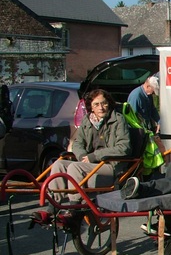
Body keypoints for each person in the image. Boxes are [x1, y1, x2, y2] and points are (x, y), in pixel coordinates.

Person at [34, 89, 131, 220]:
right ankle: (52, 207)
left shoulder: (118, 120)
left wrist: (94, 156)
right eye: (96, 104)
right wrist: (81, 156)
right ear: (91, 106)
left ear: (109, 103)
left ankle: (74, 207)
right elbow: (77, 143)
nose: (101, 108)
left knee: (75, 167)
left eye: (104, 103)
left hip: (111, 165)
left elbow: (124, 147)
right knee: (59, 164)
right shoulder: (87, 120)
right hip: (90, 164)